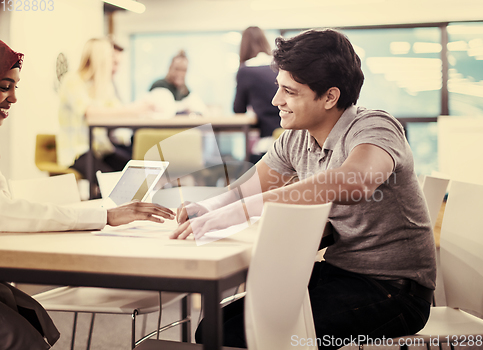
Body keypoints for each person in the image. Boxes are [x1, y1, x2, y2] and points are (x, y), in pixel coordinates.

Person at [172, 29, 436, 349]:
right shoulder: (296, 138)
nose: (275, 101)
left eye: (289, 91)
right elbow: (247, 189)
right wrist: (210, 208)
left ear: (329, 97)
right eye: (278, 88)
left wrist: (235, 214)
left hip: (394, 292)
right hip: (339, 274)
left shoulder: (374, 126)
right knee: (212, 326)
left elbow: (356, 180)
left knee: (236, 336)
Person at [0, 39, 175, 349]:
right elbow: (7, 212)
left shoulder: (103, 87)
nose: (14, 97)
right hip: (80, 151)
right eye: (4, 86)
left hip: (98, 148)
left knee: (33, 318)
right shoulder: (75, 83)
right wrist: (102, 215)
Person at [57, 38, 153, 181]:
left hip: (101, 150)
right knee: (112, 183)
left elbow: (118, 111)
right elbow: (90, 113)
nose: (113, 64)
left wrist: (143, 108)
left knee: (138, 172)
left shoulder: (104, 86)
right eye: (110, 58)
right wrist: (132, 110)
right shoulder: (72, 80)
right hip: (77, 153)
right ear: (100, 59)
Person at [233, 26, 281, 164]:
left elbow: (238, 108)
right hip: (290, 134)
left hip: (268, 140)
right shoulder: (279, 66)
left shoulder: (246, 70)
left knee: (249, 162)